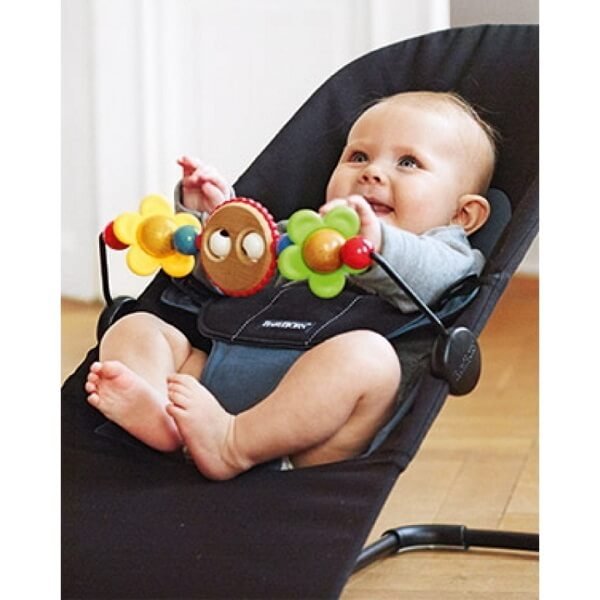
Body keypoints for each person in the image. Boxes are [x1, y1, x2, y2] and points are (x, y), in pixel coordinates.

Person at [85, 90, 497, 480]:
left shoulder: (447, 253)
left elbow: (429, 275)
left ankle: (233, 445)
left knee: (370, 358)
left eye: (408, 163)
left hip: (311, 434)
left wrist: (379, 244)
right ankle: (162, 418)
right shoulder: (302, 236)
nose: (372, 172)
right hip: (214, 381)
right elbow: (227, 277)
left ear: (463, 216)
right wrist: (215, 227)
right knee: (136, 327)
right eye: (358, 156)